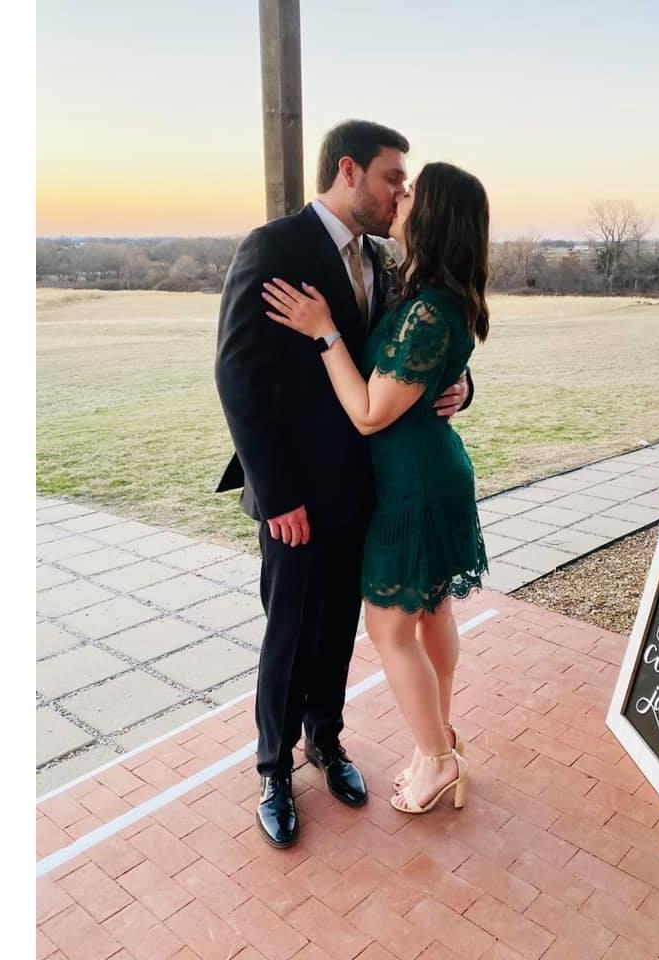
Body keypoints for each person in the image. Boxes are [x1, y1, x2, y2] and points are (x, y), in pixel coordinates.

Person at [214, 121, 474, 847]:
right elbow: (238, 376)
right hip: (296, 497)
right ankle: (273, 769)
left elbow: (414, 352)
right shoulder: (274, 247)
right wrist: (276, 494)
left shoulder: (385, 261)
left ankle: (325, 742)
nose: (400, 193)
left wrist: (461, 386)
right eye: (393, 178)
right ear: (350, 171)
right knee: (291, 632)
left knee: (336, 632)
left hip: (368, 489)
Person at [262, 160, 490, 815]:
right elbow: (430, 369)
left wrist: (324, 332)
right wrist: (457, 384)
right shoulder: (430, 289)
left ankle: (438, 760)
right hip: (429, 468)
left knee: (390, 631)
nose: (402, 196)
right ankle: (439, 737)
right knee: (433, 612)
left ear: (435, 215)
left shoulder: (428, 308)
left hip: (412, 485)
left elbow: (368, 412)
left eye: (413, 191)